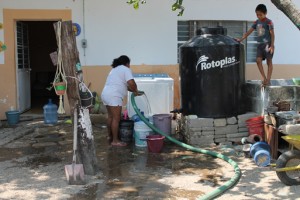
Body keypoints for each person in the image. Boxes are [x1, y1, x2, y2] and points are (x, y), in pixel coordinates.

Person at [101, 55, 139, 147]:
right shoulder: (125, 69)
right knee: (116, 119)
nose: (129, 66)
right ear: (127, 63)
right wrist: (136, 90)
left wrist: (134, 90)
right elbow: (131, 83)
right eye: (129, 64)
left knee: (110, 116)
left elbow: (124, 86)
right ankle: (115, 141)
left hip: (106, 94)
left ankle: (110, 136)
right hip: (114, 96)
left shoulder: (114, 70)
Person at [237, 4, 275, 87]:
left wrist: (272, 46)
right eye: (257, 14)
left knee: (269, 62)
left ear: (265, 13)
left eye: (260, 14)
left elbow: (272, 34)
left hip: (268, 44)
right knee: (258, 61)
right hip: (260, 45)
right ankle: (264, 78)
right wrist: (241, 39)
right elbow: (249, 31)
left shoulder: (269, 22)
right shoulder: (256, 22)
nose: (258, 16)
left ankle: (268, 80)